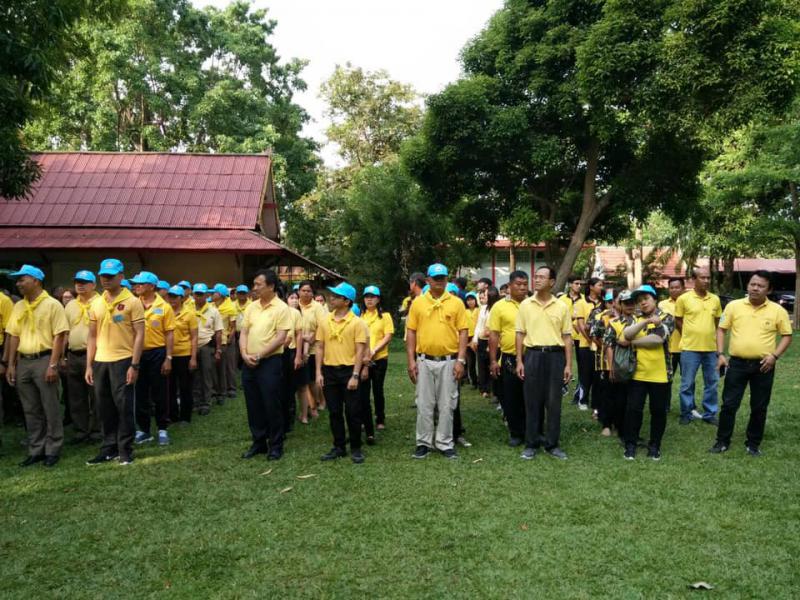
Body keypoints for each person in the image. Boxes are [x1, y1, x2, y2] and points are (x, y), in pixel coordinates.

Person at [710, 271, 792, 456]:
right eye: (752, 284)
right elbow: (721, 330)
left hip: (764, 365)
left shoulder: (777, 311)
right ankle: (722, 441)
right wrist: (720, 354)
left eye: (760, 286)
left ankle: (753, 444)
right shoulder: (733, 306)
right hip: (736, 364)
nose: (755, 288)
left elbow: (787, 336)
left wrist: (774, 356)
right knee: (729, 404)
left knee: (759, 406)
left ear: (768, 290)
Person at [4, 265, 69, 467]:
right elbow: (14, 335)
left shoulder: (52, 305)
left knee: (50, 406)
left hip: (44, 359)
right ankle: (36, 449)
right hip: (24, 361)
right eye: (17, 280)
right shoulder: (19, 306)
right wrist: (11, 364)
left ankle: (53, 449)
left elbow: (59, 336)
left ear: (36, 280)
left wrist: (53, 365)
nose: (18, 284)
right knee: (30, 408)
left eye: (22, 279)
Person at [85, 258, 145, 466]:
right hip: (101, 361)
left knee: (124, 406)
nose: (106, 280)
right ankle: (108, 448)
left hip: (123, 360)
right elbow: (92, 336)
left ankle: (125, 449)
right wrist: (89, 365)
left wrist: (134, 364)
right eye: (103, 276)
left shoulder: (133, 302)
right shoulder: (96, 303)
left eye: (110, 276)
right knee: (104, 408)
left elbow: (140, 334)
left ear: (121, 277)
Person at [406, 263, 468, 460]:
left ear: (446, 279)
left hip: (449, 361)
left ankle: (444, 442)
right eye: (436, 278)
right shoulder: (418, 303)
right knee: (424, 404)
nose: (439, 281)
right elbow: (411, 331)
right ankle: (423, 442)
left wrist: (461, 360)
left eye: (442, 278)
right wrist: (411, 360)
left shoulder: (456, 303)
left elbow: (463, 332)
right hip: (424, 360)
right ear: (428, 280)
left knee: (447, 404)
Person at [515, 266, 573, 460]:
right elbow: (520, 333)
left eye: (541, 277)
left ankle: (552, 444)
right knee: (531, 401)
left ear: (552, 282)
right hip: (532, 355)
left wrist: (568, 365)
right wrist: (519, 360)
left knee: (554, 402)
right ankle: (531, 443)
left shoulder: (561, 306)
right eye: (536, 276)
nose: (537, 280)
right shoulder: (526, 305)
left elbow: (567, 337)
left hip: (555, 357)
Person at [239, 269, 292, 461]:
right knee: (253, 404)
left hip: (270, 362)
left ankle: (276, 445)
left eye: (258, 284)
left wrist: (259, 355)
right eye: (254, 284)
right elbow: (244, 332)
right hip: (249, 362)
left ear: (271, 286)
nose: (254, 288)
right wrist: (244, 354)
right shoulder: (251, 307)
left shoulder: (281, 308)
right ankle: (259, 442)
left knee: (271, 403)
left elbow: (280, 338)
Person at [620, 285, 674, 461]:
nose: (642, 303)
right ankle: (630, 444)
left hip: (660, 374)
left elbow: (657, 340)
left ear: (655, 299)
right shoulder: (634, 319)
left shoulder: (667, 318)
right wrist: (644, 322)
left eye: (646, 299)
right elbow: (626, 334)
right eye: (639, 300)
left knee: (658, 411)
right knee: (633, 410)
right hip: (637, 373)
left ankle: (655, 446)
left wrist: (634, 342)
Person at [315, 282, 367, 464]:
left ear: (346, 301)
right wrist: (318, 372)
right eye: (332, 295)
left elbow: (360, 351)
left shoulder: (358, 323)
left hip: (349, 371)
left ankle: (356, 447)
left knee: (352, 411)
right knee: (334, 411)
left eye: (336, 296)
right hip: (329, 371)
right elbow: (319, 347)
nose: (331, 298)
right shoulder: (325, 321)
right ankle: (339, 446)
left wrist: (355, 375)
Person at [131, 271, 175, 446]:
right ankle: (144, 430)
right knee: (140, 392)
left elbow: (169, 334)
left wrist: (168, 358)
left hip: (157, 353)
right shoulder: (133, 304)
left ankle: (162, 428)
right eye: (135, 283)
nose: (136, 286)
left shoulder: (164, 307)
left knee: (159, 392)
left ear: (151, 286)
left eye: (140, 283)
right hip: (137, 354)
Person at [675, 267, 722, 425]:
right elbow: (678, 319)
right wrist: (689, 334)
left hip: (711, 349)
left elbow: (717, 323)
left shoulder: (715, 299)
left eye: (708, 278)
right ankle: (686, 412)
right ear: (694, 279)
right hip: (690, 348)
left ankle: (710, 413)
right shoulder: (683, 299)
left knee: (712, 383)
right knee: (687, 383)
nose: (706, 281)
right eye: (702, 277)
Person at [489, 270, 529, 447]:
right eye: (518, 284)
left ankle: (532, 430)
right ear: (510, 286)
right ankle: (516, 432)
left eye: (525, 284)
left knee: (531, 396)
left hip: (532, 356)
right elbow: (494, 335)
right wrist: (493, 360)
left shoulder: (533, 304)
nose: (522, 287)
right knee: (511, 396)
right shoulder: (499, 306)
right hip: (509, 358)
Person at [63, 270, 100, 444]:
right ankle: (80, 430)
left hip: (95, 354)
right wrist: (62, 355)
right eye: (77, 282)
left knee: (96, 394)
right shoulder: (70, 305)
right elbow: (65, 332)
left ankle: (97, 430)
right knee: (76, 395)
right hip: (74, 355)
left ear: (93, 285)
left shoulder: (101, 302)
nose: (80, 285)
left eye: (84, 282)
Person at [360, 286, 395, 433]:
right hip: (363, 359)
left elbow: (388, 336)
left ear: (378, 299)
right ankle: (364, 419)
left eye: (372, 296)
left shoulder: (385, 316)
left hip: (379, 359)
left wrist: (374, 350)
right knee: (363, 391)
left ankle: (380, 418)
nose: (369, 299)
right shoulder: (360, 316)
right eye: (367, 296)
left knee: (377, 389)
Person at [604, 291, 637, 441]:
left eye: (632, 302)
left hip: (639, 365)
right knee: (616, 396)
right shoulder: (614, 323)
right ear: (621, 305)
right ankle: (611, 425)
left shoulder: (640, 321)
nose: (630, 306)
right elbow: (609, 345)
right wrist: (612, 368)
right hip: (620, 365)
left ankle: (625, 426)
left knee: (631, 398)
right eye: (626, 303)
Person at [166, 285, 197, 426]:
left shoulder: (189, 314)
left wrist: (193, 358)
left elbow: (194, 337)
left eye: (175, 296)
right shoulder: (165, 312)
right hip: (168, 355)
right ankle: (173, 416)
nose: (172, 299)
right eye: (170, 296)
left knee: (185, 386)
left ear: (182, 298)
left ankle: (185, 416)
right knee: (170, 386)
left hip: (184, 354)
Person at [192, 284, 223, 416]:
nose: (198, 297)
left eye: (201, 294)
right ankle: (196, 401)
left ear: (206, 295)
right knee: (194, 375)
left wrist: (218, 350)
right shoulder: (188, 309)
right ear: (193, 295)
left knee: (206, 375)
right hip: (191, 346)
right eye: (196, 294)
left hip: (206, 346)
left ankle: (206, 402)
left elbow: (218, 332)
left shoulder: (213, 311)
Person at [588, 290, 617, 433]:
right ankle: (605, 421)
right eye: (609, 302)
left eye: (614, 302)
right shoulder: (600, 317)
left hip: (623, 362)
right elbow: (594, 336)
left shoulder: (628, 318)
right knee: (605, 390)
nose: (612, 305)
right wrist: (606, 348)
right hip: (603, 361)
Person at [573, 277, 603, 411]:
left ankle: (596, 402)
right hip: (585, 345)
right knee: (585, 373)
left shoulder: (603, 303)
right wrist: (590, 340)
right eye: (599, 285)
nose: (601, 287)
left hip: (600, 345)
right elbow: (580, 324)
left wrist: (598, 342)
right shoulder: (581, 302)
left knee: (598, 375)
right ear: (591, 287)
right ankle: (582, 400)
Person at [298, 281, 327, 413]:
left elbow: (322, 326)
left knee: (313, 378)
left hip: (315, 348)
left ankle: (321, 400)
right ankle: (312, 404)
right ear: (299, 291)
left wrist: (312, 338)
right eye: (303, 290)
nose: (306, 293)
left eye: (308, 291)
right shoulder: (295, 304)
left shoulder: (317, 307)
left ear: (312, 293)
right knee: (304, 380)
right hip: (298, 347)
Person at [281, 290, 304, 432]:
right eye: (291, 298)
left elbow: (299, 335)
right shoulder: (276, 312)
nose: (294, 300)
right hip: (276, 352)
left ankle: (289, 419)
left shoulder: (295, 313)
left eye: (296, 298)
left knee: (290, 387)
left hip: (290, 352)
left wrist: (298, 356)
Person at [211, 283, 237, 403]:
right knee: (214, 367)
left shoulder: (230, 307)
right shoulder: (211, 306)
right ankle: (216, 390)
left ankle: (226, 390)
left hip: (224, 340)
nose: (212, 294)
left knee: (225, 367)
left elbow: (233, 326)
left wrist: (229, 339)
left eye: (214, 292)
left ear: (220, 295)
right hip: (212, 340)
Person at [472, 286, 499, 400]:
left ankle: (494, 389)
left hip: (493, 340)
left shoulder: (497, 308)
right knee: (482, 365)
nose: (483, 297)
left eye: (486, 295)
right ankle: (483, 389)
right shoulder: (483, 308)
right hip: (482, 340)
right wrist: (475, 339)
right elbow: (478, 325)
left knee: (492, 364)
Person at [560, 275, 584, 402]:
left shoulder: (584, 299)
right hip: (564, 336)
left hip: (580, 336)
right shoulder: (561, 299)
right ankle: (563, 385)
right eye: (576, 283)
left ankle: (580, 389)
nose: (579, 286)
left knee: (581, 364)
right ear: (570, 284)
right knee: (562, 361)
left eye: (580, 284)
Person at [658, 277, 685, 381]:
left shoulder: (689, 303)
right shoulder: (662, 304)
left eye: (677, 287)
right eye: (671, 288)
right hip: (669, 348)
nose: (674, 290)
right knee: (666, 379)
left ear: (683, 288)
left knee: (688, 379)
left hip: (686, 347)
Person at [464, 292, 480, 388]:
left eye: (472, 299)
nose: (470, 302)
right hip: (467, 337)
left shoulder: (479, 310)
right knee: (470, 361)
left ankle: (481, 380)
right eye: (468, 300)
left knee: (480, 361)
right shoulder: (464, 311)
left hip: (477, 336)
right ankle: (474, 381)